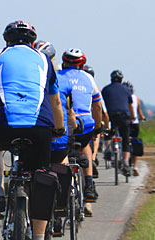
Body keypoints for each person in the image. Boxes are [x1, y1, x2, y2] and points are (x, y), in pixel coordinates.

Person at [0, 20, 64, 240]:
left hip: (2, 125)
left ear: (6, 40)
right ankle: (40, 236)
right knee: (41, 181)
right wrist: (59, 128)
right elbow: (56, 102)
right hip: (39, 127)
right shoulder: (44, 60)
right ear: (33, 42)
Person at [58, 49, 102, 217]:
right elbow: (97, 106)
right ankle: (89, 184)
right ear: (82, 65)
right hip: (85, 124)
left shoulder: (58, 76)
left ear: (63, 63)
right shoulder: (88, 78)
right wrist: (97, 128)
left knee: (60, 152)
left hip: (65, 123)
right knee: (85, 146)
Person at [102, 70, 135, 176]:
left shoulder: (106, 89)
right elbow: (130, 106)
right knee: (125, 139)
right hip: (123, 116)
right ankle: (125, 162)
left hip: (110, 116)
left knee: (108, 134)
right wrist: (132, 116)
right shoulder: (126, 89)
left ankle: (107, 149)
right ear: (121, 80)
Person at [122, 81, 145, 176]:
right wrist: (142, 117)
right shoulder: (136, 98)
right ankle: (135, 166)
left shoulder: (122, 98)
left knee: (124, 142)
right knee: (135, 144)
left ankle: (122, 159)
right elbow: (139, 112)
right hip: (134, 124)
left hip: (125, 123)